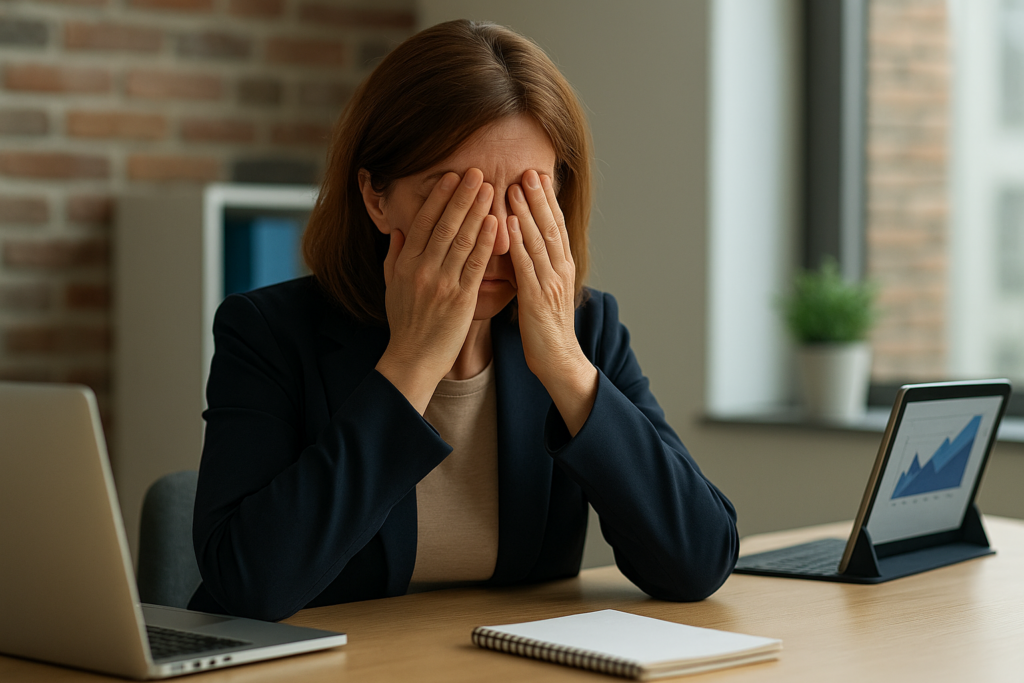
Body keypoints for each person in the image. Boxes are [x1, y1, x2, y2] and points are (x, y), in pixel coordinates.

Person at [188, 19, 738, 622]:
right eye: (455, 199)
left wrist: (563, 361)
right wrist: (412, 363)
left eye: (526, 199)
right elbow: (246, 586)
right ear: (376, 197)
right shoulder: (266, 333)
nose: (498, 239)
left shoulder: (587, 329)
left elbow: (698, 562)